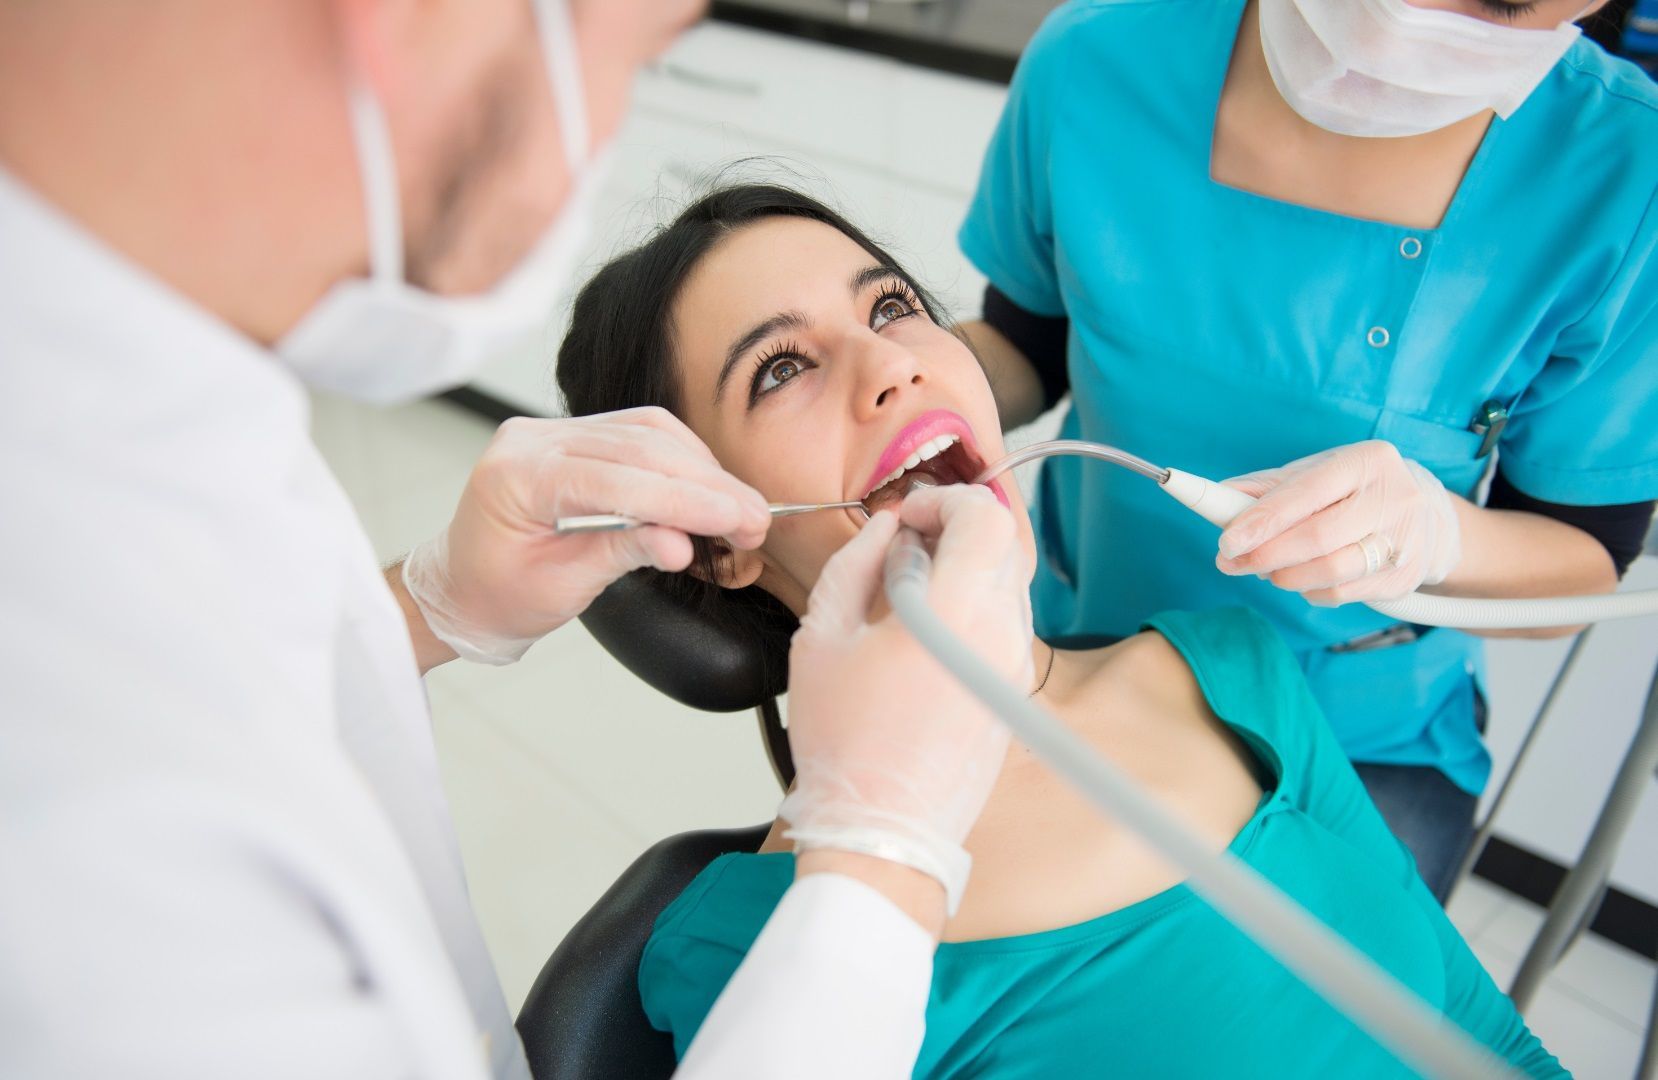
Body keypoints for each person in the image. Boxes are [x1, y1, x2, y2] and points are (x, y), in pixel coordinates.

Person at [0, 3, 1033, 1077]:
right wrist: (881, 858)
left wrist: (415, 612)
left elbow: (216, 670)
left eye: (895, 308)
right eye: (637, 56)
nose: (896, 367)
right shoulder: (73, 840)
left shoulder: (134, 418)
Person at [552, 182, 1565, 1077]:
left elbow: (1480, 1034)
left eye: (892, 306)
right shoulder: (746, 941)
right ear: (722, 541)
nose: (890, 366)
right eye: (778, 368)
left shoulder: (1229, 671)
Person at [956, 0, 1658, 899]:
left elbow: (1582, 564)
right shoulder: (1097, 53)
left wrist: (1439, 537)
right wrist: (884, 384)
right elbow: (1025, 349)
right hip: (1073, 653)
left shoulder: (1625, 176)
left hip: (1353, 731)